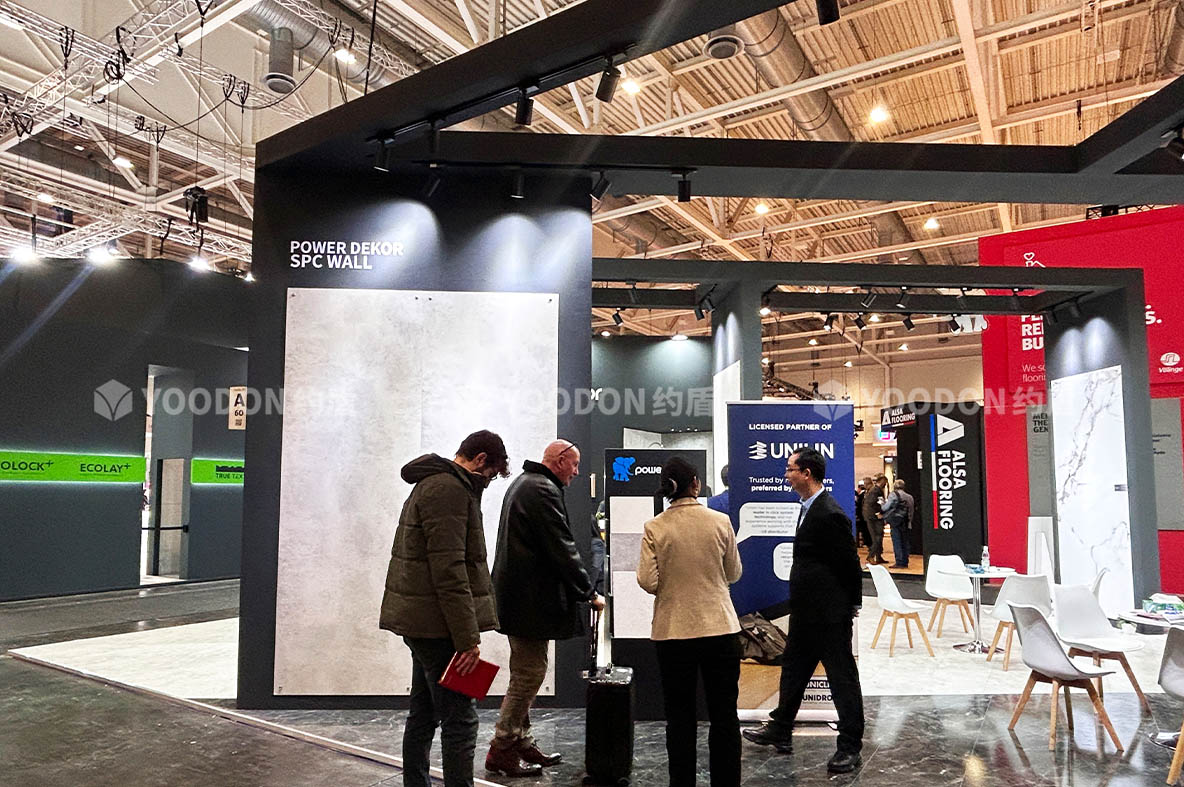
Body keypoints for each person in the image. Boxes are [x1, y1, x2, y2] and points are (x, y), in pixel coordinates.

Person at [379, 430, 511, 787]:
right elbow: (450, 570)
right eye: (490, 475)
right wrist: (467, 639)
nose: (487, 483)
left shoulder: (436, 484)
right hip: (437, 626)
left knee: (424, 713)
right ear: (480, 460)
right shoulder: (449, 490)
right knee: (460, 720)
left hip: (425, 621)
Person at [742, 447, 865, 775]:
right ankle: (781, 729)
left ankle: (850, 746)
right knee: (794, 670)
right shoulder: (808, 508)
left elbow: (849, 564)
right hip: (806, 613)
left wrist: (851, 606)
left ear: (806, 473)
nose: (786, 475)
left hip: (829, 616)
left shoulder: (829, 513)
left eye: (790, 469)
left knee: (841, 680)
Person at [486, 440, 605, 777]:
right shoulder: (541, 490)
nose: (577, 472)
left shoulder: (527, 483)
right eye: (575, 464)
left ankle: (521, 740)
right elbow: (562, 547)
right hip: (528, 602)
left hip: (518, 599)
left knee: (525, 670)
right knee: (529, 673)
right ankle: (503, 746)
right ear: (560, 460)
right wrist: (588, 592)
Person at [638, 457, 743, 787]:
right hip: (720, 628)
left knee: (679, 717)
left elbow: (647, 580)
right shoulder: (720, 521)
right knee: (724, 715)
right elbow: (734, 573)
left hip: (673, 631)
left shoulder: (655, 527)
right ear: (696, 484)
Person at [882, 479, 915, 569]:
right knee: (905, 542)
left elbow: (886, 507)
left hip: (896, 522)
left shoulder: (893, 495)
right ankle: (905, 561)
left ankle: (899, 562)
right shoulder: (910, 497)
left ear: (895, 486)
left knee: (897, 542)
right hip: (906, 522)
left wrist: (882, 504)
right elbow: (911, 511)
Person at [861, 474, 888, 565]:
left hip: (870, 517)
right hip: (874, 518)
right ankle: (871, 556)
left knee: (878, 537)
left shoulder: (873, 490)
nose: (886, 484)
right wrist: (878, 513)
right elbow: (874, 503)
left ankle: (878, 557)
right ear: (882, 481)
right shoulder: (876, 490)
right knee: (877, 538)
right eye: (885, 482)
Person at [854, 479, 873, 551]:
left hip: (865, 516)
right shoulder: (863, 494)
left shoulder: (867, 494)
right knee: (865, 532)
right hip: (863, 516)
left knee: (867, 532)